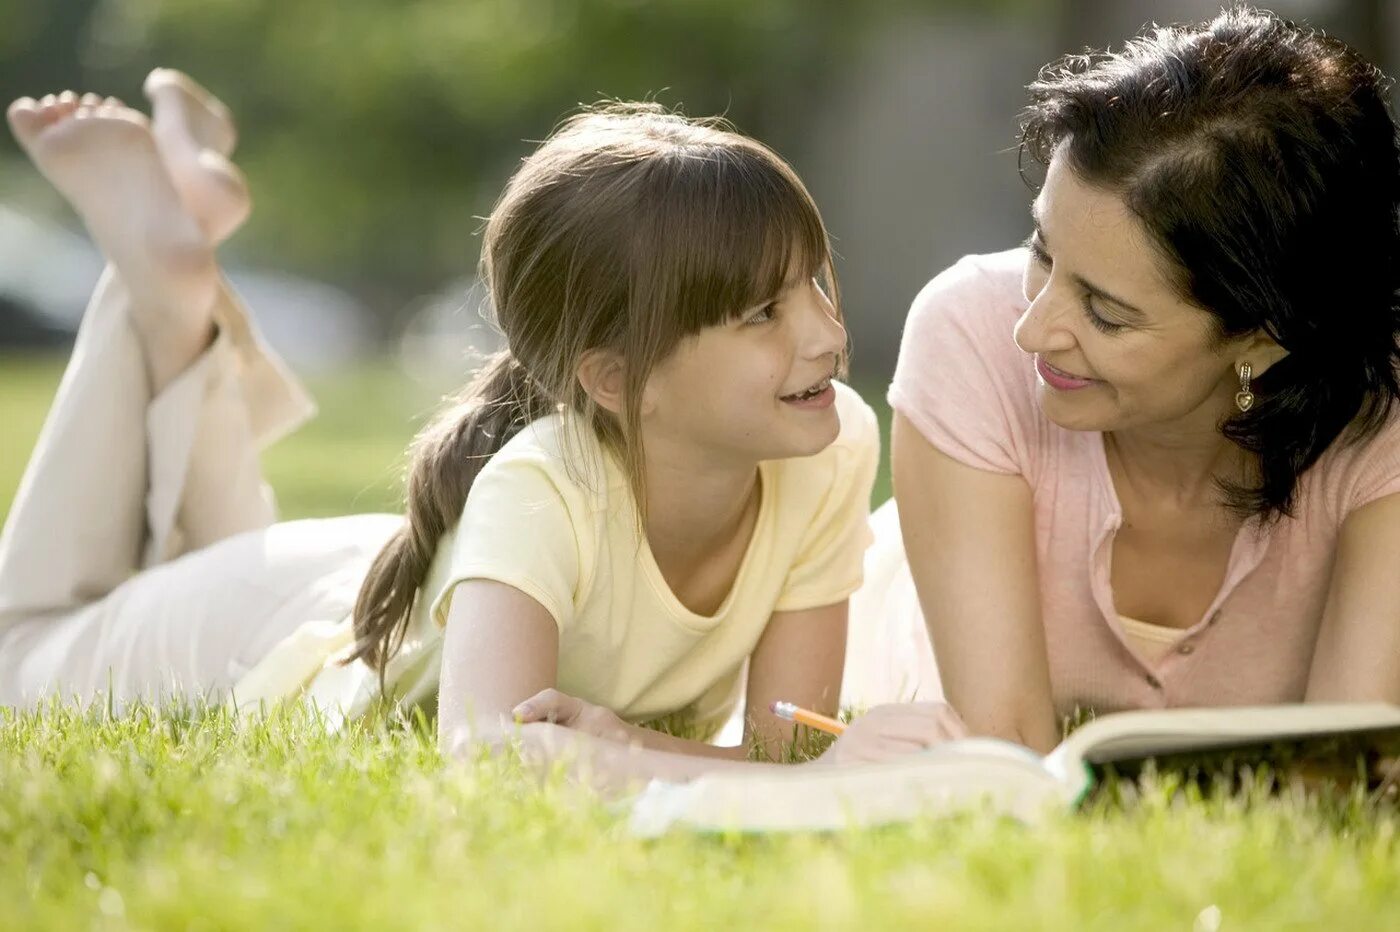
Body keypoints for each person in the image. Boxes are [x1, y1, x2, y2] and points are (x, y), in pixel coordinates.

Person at [0, 74, 962, 785]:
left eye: (819, 285)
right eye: (763, 313)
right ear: (616, 378)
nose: (830, 338)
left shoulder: (826, 448)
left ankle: (180, 261)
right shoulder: (542, 489)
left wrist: (629, 746)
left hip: (380, 591)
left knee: (187, 546)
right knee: (21, 648)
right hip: (276, 635)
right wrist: (784, 774)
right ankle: (162, 288)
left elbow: (781, 749)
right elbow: (491, 755)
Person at [843, 5, 1400, 753]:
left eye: (1105, 312)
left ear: (1264, 342)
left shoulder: (1380, 416)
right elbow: (1004, 759)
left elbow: (1350, 770)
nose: (1031, 330)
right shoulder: (968, 331)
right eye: (1042, 251)